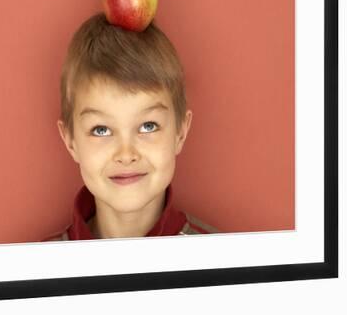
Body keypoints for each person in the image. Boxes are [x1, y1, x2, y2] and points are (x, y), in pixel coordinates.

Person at [42, 12, 217, 241]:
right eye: (101, 130)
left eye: (148, 126)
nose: (126, 155)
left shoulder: (227, 262)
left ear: (180, 132)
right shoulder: (36, 269)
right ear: (70, 140)